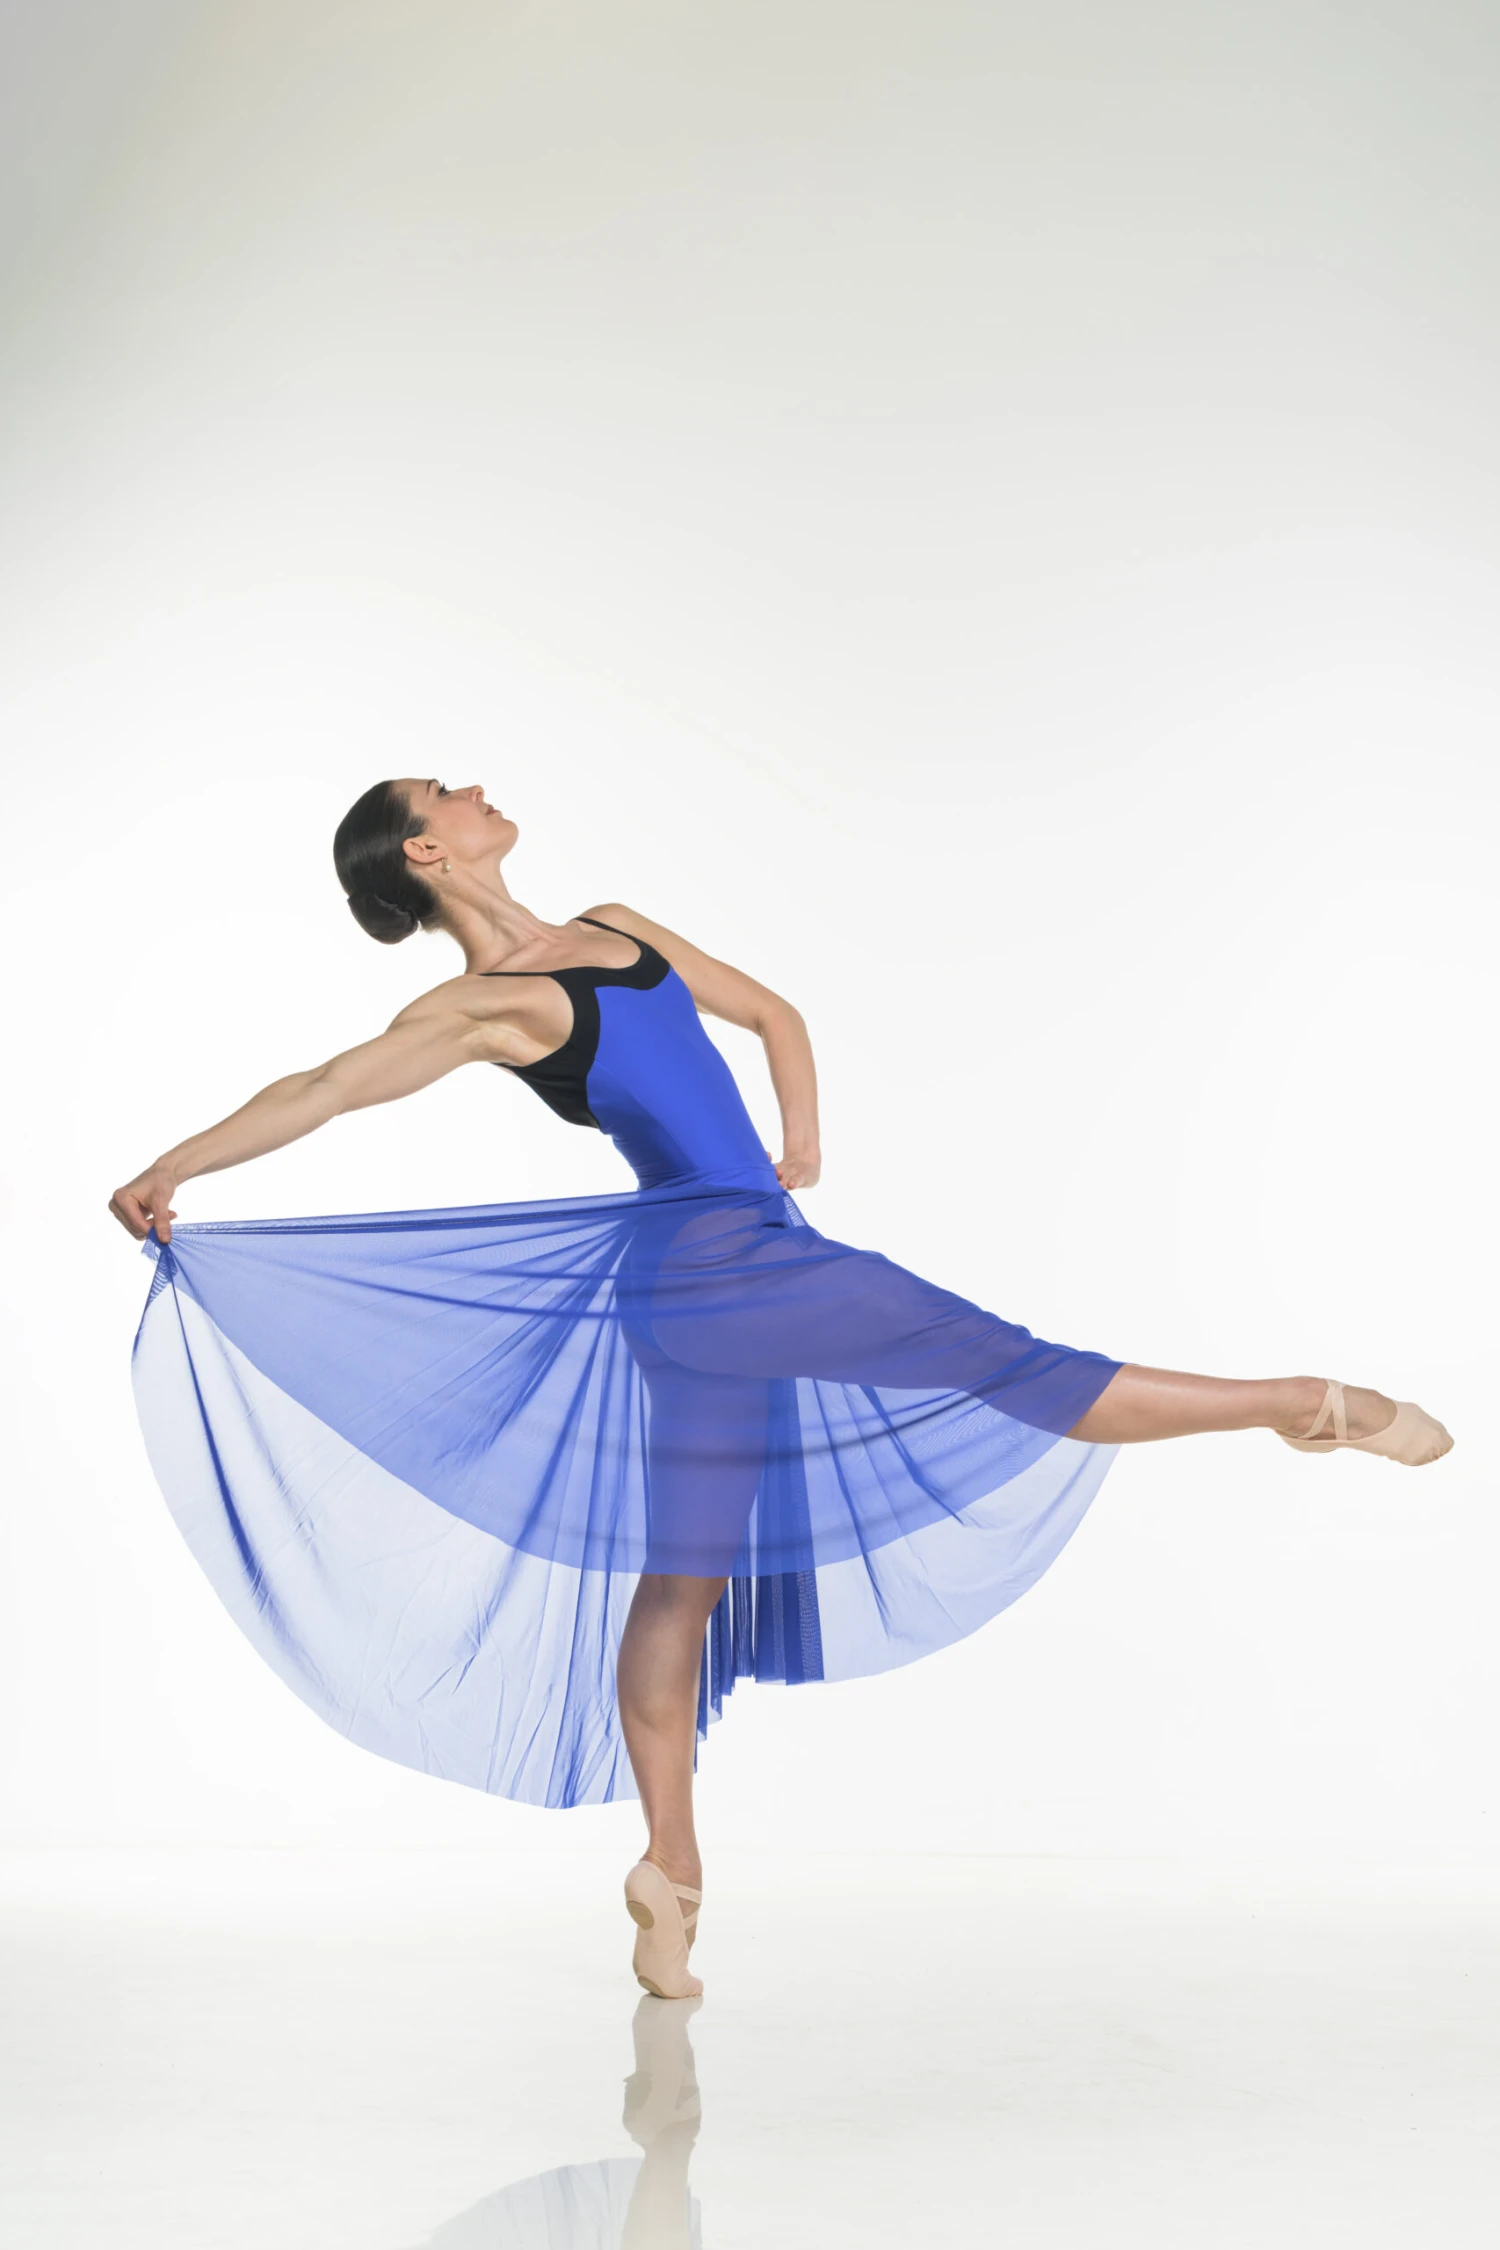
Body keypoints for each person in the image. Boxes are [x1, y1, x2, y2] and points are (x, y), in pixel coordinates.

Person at [109, 778, 1453, 2000]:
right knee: (1009, 1366)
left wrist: (798, 1140)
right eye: (445, 791)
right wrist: (180, 1165)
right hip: (724, 1260)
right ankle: (1301, 1403)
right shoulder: (482, 1005)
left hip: (711, 1268)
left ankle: (672, 1872)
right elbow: (328, 1087)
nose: (476, 789)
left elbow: (771, 1014)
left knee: (681, 1581)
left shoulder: (613, 925)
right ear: (426, 850)